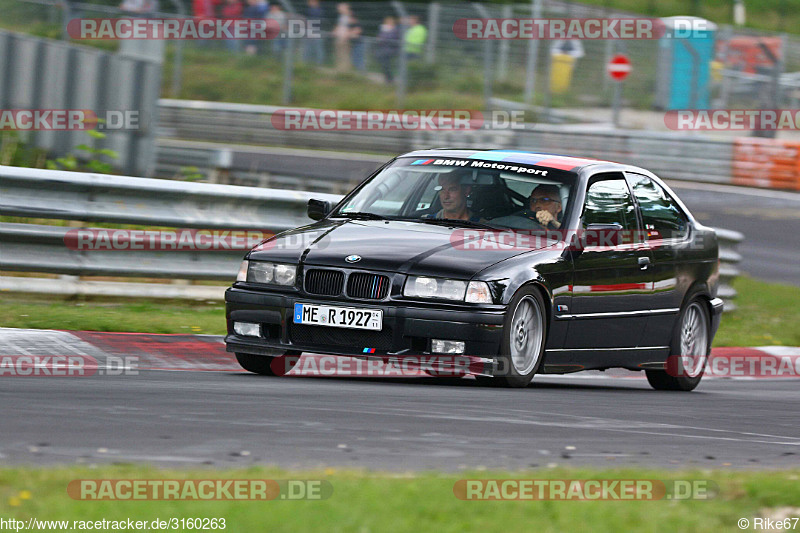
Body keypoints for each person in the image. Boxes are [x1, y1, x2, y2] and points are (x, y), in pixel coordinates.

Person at [491, 184, 563, 230]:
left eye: (544, 200)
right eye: (533, 200)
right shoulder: (521, 216)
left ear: (559, 207)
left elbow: (569, 238)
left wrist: (554, 223)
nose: (537, 205)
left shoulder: (569, 223)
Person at [375, 16, 399, 83]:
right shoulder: (384, 29)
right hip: (383, 49)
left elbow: (391, 38)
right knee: (383, 64)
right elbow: (379, 37)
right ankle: (388, 77)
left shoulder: (395, 30)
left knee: (386, 64)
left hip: (391, 50)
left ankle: (389, 78)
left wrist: (385, 35)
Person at [303, 0, 325, 64]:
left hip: (317, 30)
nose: (308, 3)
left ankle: (319, 63)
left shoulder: (319, 11)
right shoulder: (309, 10)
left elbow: (319, 21)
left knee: (318, 48)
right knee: (308, 47)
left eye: (310, 1)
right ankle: (307, 62)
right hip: (309, 30)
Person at [333, 2, 353, 71]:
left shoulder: (349, 16)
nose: (338, 9)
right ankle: (340, 68)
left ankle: (345, 69)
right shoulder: (341, 16)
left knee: (344, 54)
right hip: (339, 37)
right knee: (339, 53)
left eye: (340, 7)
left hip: (344, 38)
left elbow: (349, 27)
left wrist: (345, 35)